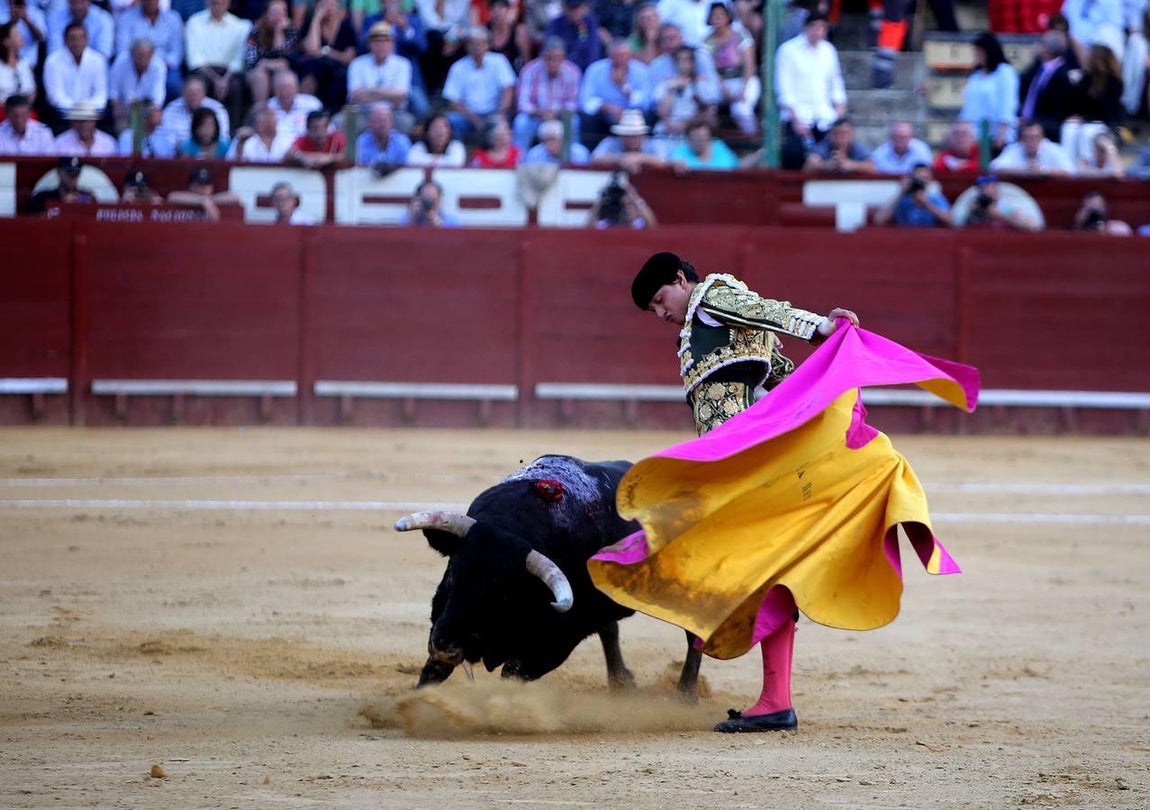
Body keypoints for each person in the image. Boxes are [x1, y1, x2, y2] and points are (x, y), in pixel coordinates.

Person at [591, 252, 874, 733]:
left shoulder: (712, 298)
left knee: (743, 566)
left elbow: (767, 310)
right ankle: (774, 698)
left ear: (681, 280)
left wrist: (821, 330)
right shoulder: (706, 328)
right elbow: (782, 374)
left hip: (745, 465)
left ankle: (771, 696)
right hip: (729, 466)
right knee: (760, 572)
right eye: (654, 310)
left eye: (661, 299)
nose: (661, 313)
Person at [775, 12, 846, 170]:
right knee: (793, 155)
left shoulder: (829, 51)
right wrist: (796, 120)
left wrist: (838, 115)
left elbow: (836, 83)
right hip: (798, 117)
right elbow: (784, 87)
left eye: (823, 28)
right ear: (806, 28)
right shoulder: (788, 50)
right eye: (815, 27)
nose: (819, 32)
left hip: (824, 117)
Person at [442, 26, 517, 143]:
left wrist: (501, 112)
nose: (476, 47)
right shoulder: (458, 67)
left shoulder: (499, 61)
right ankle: (458, 155)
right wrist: (475, 119)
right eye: (472, 43)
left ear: (488, 45)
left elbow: (508, 88)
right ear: (467, 46)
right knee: (451, 121)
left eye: (480, 43)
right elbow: (453, 100)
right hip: (468, 115)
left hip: (495, 113)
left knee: (504, 123)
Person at [184, 0, 250, 130]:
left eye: (221, 2)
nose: (218, 6)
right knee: (198, 84)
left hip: (229, 73)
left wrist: (224, 80)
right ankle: (198, 129)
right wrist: (216, 79)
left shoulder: (239, 25)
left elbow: (238, 59)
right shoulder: (195, 22)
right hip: (203, 70)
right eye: (214, 2)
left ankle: (232, 131)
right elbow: (195, 58)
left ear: (228, 3)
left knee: (236, 86)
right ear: (207, 2)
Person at [578, 37, 654, 147]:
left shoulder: (641, 71)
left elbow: (646, 102)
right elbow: (585, 101)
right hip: (604, 115)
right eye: (616, 56)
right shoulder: (595, 70)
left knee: (645, 117)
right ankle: (591, 155)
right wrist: (606, 107)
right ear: (609, 56)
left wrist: (624, 86)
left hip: (632, 116)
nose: (620, 59)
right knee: (587, 119)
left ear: (630, 55)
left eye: (624, 55)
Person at [513, 36, 582, 151]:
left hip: (561, 116)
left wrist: (557, 113)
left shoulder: (572, 72)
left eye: (557, 58)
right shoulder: (529, 70)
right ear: (542, 56)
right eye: (549, 58)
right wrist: (540, 113)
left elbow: (574, 103)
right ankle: (520, 160)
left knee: (574, 121)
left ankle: (571, 161)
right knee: (521, 122)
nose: (553, 63)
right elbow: (523, 103)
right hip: (536, 117)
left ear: (563, 57)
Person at [957, 31, 1020, 153]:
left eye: (980, 52)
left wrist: (1001, 133)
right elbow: (969, 104)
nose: (977, 55)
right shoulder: (975, 75)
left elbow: (1007, 103)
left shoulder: (1005, 72)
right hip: (974, 135)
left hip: (995, 134)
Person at [703, 0, 758, 134]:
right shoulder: (707, 41)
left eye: (721, 15)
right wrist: (722, 87)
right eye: (714, 16)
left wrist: (743, 89)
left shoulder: (741, 34)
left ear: (728, 16)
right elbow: (710, 69)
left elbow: (750, 65)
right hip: (721, 82)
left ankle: (752, 137)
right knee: (708, 108)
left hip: (744, 79)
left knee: (741, 110)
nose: (717, 19)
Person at [114, 0, 185, 104]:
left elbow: (176, 52)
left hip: (166, 64)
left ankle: (166, 113)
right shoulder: (126, 18)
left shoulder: (173, 18)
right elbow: (122, 49)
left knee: (174, 85)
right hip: (135, 62)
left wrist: (161, 64)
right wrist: (139, 61)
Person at [295, 0, 357, 112]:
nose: (329, 8)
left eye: (333, 4)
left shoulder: (346, 26)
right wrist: (316, 19)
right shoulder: (310, 24)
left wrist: (325, 51)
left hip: (339, 70)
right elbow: (312, 49)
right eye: (325, 4)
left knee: (340, 79)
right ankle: (303, 111)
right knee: (312, 68)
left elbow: (348, 58)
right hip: (315, 68)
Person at [42, 22, 108, 125]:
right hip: (63, 117)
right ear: (65, 40)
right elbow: (55, 96)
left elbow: (101, 95)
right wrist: (77, 111)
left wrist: (85, 111)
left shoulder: (98, 60)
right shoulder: (52, 61)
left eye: (81, 38)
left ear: (87, 40)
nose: (77, 42)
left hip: (91, 116)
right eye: (72, 38)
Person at [652, 44, 717, 137]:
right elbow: (661, 111)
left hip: (693, 131)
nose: (683, 64)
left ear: (693, 63)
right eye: (680, 60)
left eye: (687, 60)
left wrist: (687, 123)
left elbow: (709, 111)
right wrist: (672, 88)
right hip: (667, 129)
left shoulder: (701, 83)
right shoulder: (667, 84)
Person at [243, 0, 298, 108]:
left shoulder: (291, 31)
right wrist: (268, 64)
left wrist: (279, 32)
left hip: (281, 70)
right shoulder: (256, 30)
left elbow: (288, 59)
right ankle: (260, 111)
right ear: (266, 14)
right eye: (275, 12)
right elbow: (251, 60)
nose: (280, 16)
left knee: (284, 76)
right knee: (260, 76)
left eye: (283, 12)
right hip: (256, 72)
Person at [108, 38, 166, 134]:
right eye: (139, 55)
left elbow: (158, 96)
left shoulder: (159, 66)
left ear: (152, 55)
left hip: (147, 109)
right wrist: (117, 105)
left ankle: (149, 146)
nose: (142, 59)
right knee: (122, 127)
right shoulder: (121, 62)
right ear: (132, 54)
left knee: (156, 118)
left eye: (146, 55)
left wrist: (152, 112)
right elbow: (113, 91)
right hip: (124, 108)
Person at [873, 163, 954, 228]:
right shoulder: (902, 199)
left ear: (930, 180)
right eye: (918, 178)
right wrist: (900, 193)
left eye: (925, 178)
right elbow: (879, 220)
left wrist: (927, 204)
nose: (921, 181)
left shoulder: (935, 198)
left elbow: (951, 221)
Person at [589, 106, 667, 172]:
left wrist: (639, 158)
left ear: (642, 135)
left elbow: (664, 161)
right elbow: (594, 158)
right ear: (620, 135)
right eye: (627, 135)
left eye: (634, 136)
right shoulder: (610, 142)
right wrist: (620, 159)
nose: (631, 140)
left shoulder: (653, 144)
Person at [989, 118, 1075, 175]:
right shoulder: (1014, 149)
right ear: (1021, 139)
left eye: (1035, 137)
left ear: (1042, 137)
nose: (1031, 141)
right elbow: (994, 167)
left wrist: (1044, 171)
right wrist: (1023, 170)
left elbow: (1070, 170)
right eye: (1027, 137)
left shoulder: (1054, 149)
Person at [161, 74, 229, 144]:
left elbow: (223, 139)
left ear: (204, 93)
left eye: (197, 91)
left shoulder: (217, 109)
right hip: (178, 152)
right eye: (190, 92)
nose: (194, 95)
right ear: (182, 93)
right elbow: (166, 138)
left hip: (210, 153)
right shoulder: (171, 109)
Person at [958, 173, 1042, 231]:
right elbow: (958, 225)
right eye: (985, 188)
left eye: (993, 188)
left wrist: (999, 215)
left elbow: (1033, 225)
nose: (990, 191)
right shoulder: (974, 205)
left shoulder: (1004, 207)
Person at [543, 0, 601, 72]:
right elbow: (548, 51)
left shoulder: (589, 22)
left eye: (578, 8)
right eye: (571, 9)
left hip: (584, 70)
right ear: (564, 9)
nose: (575, 12)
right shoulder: (555, 24)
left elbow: (593, 52)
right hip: (561, 71)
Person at [802, 116, 874, 173]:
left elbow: (871, 167)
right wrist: (827, 166)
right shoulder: (823, 146)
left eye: (845, 134)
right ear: (831, 135)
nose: (842, 138)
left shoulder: (858, 148)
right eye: (837, 133)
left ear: (852, 135)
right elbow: (808, 166)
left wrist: (850, 165)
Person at [167, 166, 242, 221]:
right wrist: (203, 201)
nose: (204, 188)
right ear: (191, 186)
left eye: (206, 184)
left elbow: (235, 197)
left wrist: (208, 201)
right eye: (199, 184)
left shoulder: (214, 198)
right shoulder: (186, 198)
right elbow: (172, 197)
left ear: (212, 187)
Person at [587, 170, 657, 227]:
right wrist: (601, 199)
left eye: (630, 205)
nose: (627, 209)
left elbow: (652, 224)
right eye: (624, 205)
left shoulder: (638, 225)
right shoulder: (607, 224)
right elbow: (589, 228)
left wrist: (635, 197)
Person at [28, 155, 96, 213]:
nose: (73, 177)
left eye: (76, 174)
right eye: (69, 173)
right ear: (59, 172)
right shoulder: (42, 199)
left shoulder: (88, 198)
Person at [354, 100, 411, 167]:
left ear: (391, 123)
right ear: (370, 123)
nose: (382, 125)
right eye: (378, 120)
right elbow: (358, 168)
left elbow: (407, 169)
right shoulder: (360, 142)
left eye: (385, 120)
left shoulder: (402, 141)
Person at [267, 69, 321, 140]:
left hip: (306, 146)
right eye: (280, 88)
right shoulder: (268, 107)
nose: (284, 92)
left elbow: (326, 130)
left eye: (289, 87)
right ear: (274, 90)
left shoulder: (312, 104)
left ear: (297, 88)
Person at [228, 102, 292, 161]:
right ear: (257, 123)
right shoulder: (246, 142)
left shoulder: (286, 140)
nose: (273, 120)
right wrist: (240, 146)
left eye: (273, 116)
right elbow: (231, 163)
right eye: (267, 116)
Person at [668, 116, 737, 169]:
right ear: (688, 139)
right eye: (696, 138)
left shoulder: (719, 146)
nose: (700, 141)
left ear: (710, 137)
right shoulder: (680, 152)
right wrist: (675, 165)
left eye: (704, 137)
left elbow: (737, 166)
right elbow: (669, 164)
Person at [522, 116, 591, 163]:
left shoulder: (580, 153)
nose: (549, 144)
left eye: (553, 139)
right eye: (545, 141)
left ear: (562, 139)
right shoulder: (534, 155)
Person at [396, 178, 460, 227]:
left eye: (432, 198)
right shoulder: (409, 218)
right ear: (419, 198)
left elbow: (453, 238)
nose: (429, 201)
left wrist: (436, 221)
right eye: (426, 197)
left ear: (439, 199)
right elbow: (401, 235)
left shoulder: (451, 220)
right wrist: (413, 217)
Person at [0, 21, 36, 107]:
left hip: (25, 111)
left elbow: (33, 91)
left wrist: (24, 108)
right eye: (16, 34)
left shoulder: (26, 63)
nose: (21, 37)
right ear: (6, 41)